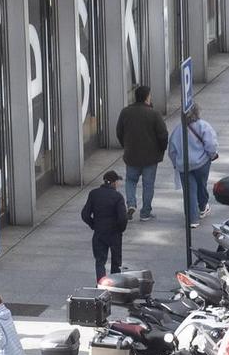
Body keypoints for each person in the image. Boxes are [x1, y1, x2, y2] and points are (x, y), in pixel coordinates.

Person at [114, 85, 169, 219]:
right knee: (148, 185)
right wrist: (161, 149)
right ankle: (145, 212)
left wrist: (126, 145)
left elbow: (119, 132)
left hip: (131, 155)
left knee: (130, 181)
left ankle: (131, 204)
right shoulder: (154, 114)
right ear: (146, 97)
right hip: (150, 157)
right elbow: (163, 135)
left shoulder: (125, 112)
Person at [167, 105, 219, 224]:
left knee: (189, 191)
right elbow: (211, 145)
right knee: (202, 185)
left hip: (184, 165)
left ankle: (192, 219)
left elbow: (172, 151)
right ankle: (202, 207)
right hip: (201, 163)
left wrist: (176, 163)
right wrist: (211, 155)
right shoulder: (203, 126)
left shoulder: (177, 130)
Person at [81, 170, 131, 281]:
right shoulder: (118, 197)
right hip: (114, 234)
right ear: (113, 183)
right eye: (117, 181)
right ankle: (115, 284)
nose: (118, 184)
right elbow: (123, 218)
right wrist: (120, 229)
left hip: (99, 232)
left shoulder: (94, 194)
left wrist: (93, 224)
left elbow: (85, 214)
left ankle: (101, 283)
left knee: (100, 261)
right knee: (116, 261)